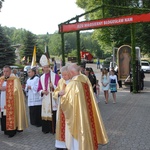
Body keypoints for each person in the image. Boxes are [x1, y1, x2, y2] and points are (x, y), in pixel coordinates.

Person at [61, 63, 108, 150]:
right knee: (87, 126)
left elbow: (67, 102)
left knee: (78, 132)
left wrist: (62, 95)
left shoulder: (73, 84)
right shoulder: (85, 78)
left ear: (71, 72)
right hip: (87, 110)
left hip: (77, 114)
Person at [0, 65, 28, 137]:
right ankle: (5, 130)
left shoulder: (15, 79)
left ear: (10, 71)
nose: (5, 73)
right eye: (4, 71)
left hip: (11, 101)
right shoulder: (1, 79)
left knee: (10, 116)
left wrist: (6, 88)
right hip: (2, 100)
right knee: (3, 116)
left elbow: (17, 90)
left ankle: (12, 131)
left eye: (7, 71)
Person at [37, 54, 60, 134]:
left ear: (49, 67)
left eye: (47, 67)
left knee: (53, 112)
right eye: (44, 67)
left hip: (52, 98)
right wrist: (42, 91)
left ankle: (53, 129)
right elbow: (39, 89)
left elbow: (59, 87)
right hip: (45, 98)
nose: (46, 68)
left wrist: (53, 86)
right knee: (45, 112)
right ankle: (46, 129)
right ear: (42, 68)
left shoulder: (55, 76)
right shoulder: (41, 77)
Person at [53, 66, 70, 150]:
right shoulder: (60, 81)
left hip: (70, 109)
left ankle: (69, 144)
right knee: (61, 126)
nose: (64, 77)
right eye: (62, 75)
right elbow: (55, 92)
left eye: (65, 75)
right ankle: (60, 145)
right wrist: (59, 93)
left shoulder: (73, 82)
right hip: (61, 109)